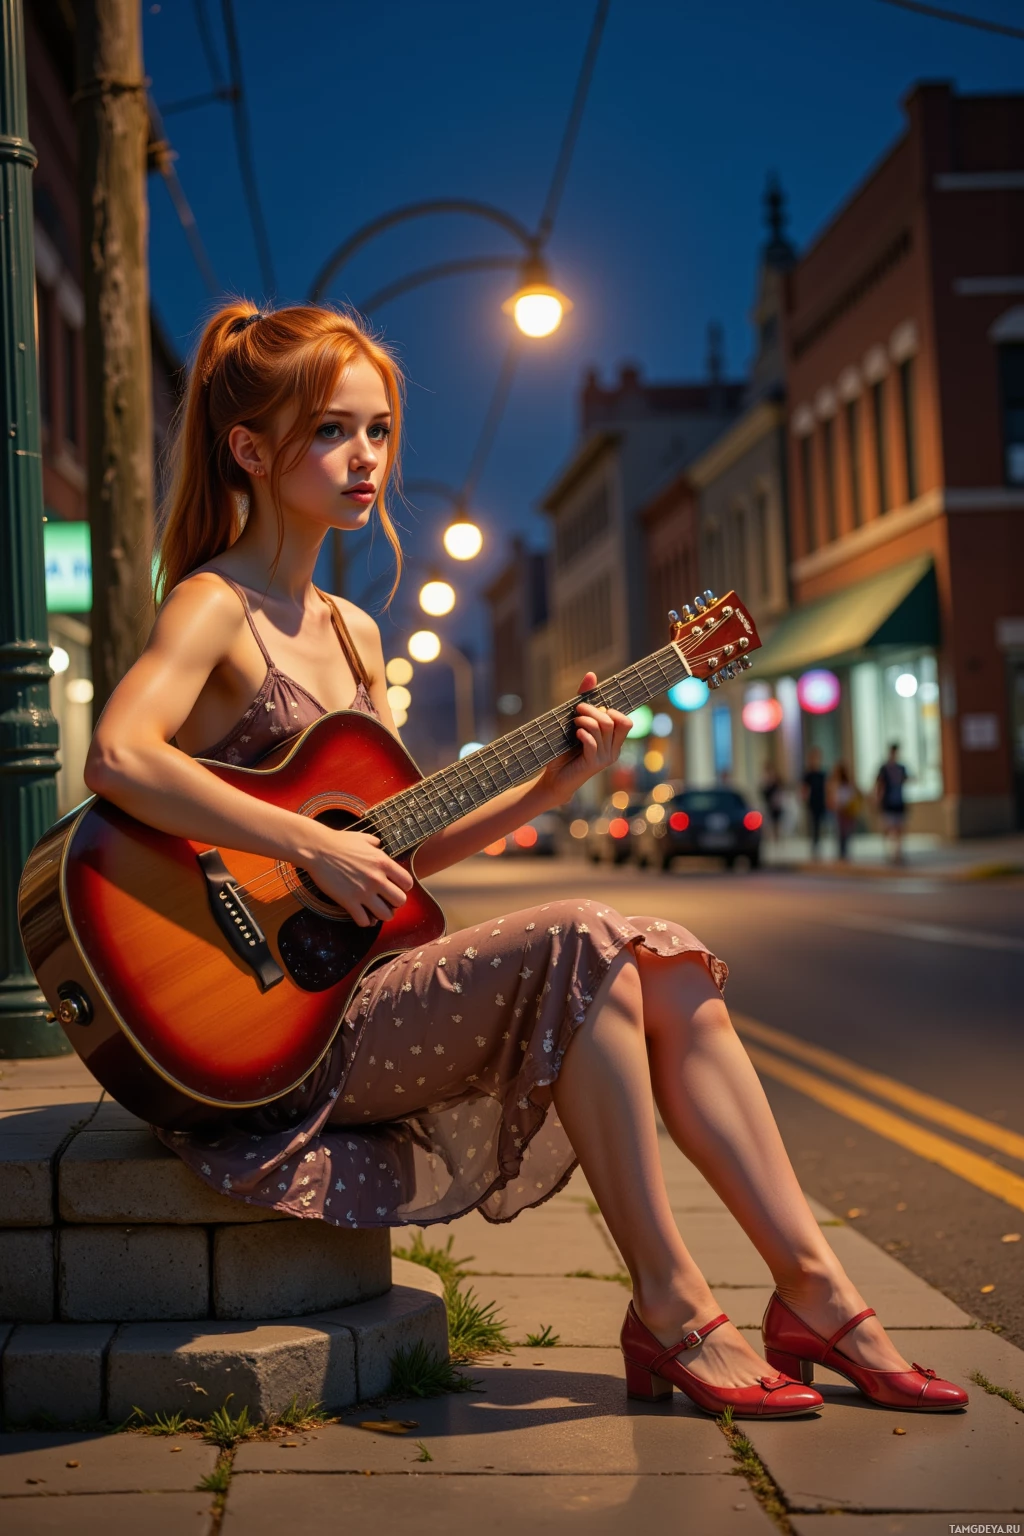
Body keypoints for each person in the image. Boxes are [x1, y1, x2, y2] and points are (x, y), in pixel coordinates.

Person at [83, 302, 965, 1419]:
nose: (367, 459)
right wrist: (302, 838)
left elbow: (391, 860)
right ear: (250, 450)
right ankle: (672, 1302)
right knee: (584, 937)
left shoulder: (356, 635)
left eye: (381, 429)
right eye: (331, 433)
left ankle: (821, 1296)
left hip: (355, 991)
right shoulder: (214, 606)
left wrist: (548, 792)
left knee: (670, 960)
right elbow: (117, 754)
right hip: (262, 1032)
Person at [876, 743, 910, 864]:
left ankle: (898, 852)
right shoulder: (884, 769)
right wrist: (878, 800)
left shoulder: (901, 768)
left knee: (900, 829)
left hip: (899, 802)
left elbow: (907, 780)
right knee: (889, 829)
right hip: (888, 803)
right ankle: (889, 851)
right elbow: (879, 785)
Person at [828, 762, 859, 861]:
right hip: (839, 811)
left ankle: (844, 853)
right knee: (840, 834)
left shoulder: (847, 784)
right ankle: (842, 854)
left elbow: (854, 795)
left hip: (847, 811)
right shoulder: (835, 783)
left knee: (846, 834)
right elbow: (832, 798)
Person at [801, 746, 828, 858]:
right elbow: (804, 789)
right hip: (812, 802)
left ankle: (819, 844)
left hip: (821, 801)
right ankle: (814, 845)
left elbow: (827, 788)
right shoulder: (808, 775)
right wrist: (804, 799)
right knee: (814, 824)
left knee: (821, 824)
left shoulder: (822, 774)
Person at [759, 762, 784, 843]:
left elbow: (779, 791)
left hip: (776, 805)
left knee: (776, 823)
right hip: (768, 804)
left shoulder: (776, 781)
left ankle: (777, 839)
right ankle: (770, 839)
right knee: (768, 823)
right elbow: (762, 792)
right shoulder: (765, 781)